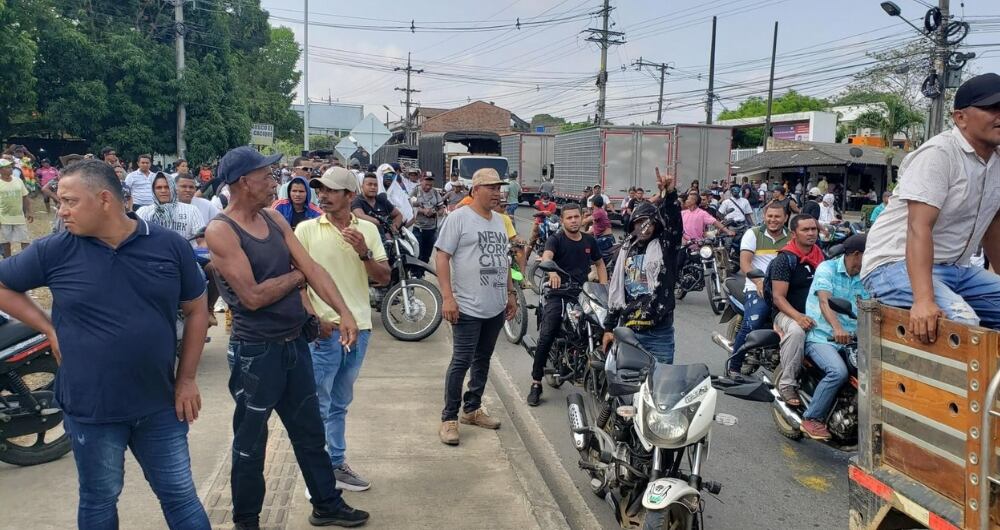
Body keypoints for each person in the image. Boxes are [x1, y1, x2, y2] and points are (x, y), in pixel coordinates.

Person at [0, 159, 211, 529]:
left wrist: (188, 378)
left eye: (69, 201)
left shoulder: (167, 246)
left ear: (104, 200)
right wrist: (48, 328)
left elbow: (196, 309)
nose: (60, 210)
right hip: (91, 407)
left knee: (179, 495)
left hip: (159, 403)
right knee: (99, 498)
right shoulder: (55, 250)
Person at [204, 146, 369, 528]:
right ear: (244, 182)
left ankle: (326, 503)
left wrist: (343, 312)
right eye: (266, 175)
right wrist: (299, 276)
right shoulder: (221, 230)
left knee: (309, 431)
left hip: (294, 343)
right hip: (256, 353)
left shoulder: (273, 220)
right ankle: (247, 521)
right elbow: (254, 296)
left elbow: (312, 266)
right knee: (250, 443)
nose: (273, 180)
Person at [862, 73, 1000, 337]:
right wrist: (923, 300)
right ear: (960, 118)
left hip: (957, 269)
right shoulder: (939, 154)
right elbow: (919, 227)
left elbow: (994, 227)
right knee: (962, 321)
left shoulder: (997, 160)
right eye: (991, 108)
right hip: (893, 265)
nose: (999, 115)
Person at [296, 167, 390, 493]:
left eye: (330, 191)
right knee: (318, 405)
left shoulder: (367, 231)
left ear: (350, 196)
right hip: (324, 332)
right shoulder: (306, 229)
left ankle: (335, 464)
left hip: (360, 329)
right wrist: (313, 319)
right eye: (319, 190)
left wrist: (363, 251)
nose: (322, 195)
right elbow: (297, 280)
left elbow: (383, 278)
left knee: (339, 402)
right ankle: (317, 476)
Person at [436, 168, 517, 445]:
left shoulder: (499, 221)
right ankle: (449, 418)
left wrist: (510, 293)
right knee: (461, 362)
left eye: (499, 188)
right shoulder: (459, 218)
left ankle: (472, 410)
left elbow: (504, 259)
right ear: (476, 190)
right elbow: (442, 257)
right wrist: (448, 297)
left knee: (483, 359)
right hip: (467, 306)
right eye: (492, 188)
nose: (497, 193)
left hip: (494, 306)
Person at [527, 203, 608, 406]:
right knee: (547, 333)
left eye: (576, 217)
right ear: (562, 221)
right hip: (559, 293)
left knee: (603, 326)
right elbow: (547, 257)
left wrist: (605, 288)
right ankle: (536, 382)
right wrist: (552, 272)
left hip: (582, 293)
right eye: (569, 218)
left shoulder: (589, 240)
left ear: (582, 218)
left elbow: (599, 264)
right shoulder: (556, 239)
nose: (573, 221)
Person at [603, 167, 683, 364]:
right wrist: (608, 329)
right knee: (627, 390)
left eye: (648, 222)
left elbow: (674, 224)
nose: (643, 226)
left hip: (659, 335)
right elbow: (616, 293)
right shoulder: (624, 252)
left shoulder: (665, 248)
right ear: (632, 225)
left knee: (660, 389)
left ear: (655, 224)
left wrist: (669, 193)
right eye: (638, 222)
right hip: (629, 331)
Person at [800, 234, 869, 440]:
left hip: (855, 340)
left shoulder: (867, 276)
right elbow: (824, 301)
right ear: (856, 254)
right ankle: (812, 418)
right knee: (837, 372)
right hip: (823, 336)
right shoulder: (827, 269)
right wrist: (837, 328)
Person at [766, 214, 823, 406]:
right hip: (787, 313)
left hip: (816, 312)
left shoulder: (821, 256)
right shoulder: (786, 259)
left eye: (813, 229)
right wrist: (798, 317)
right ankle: (787, 382)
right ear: (793, 233)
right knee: (797, 332)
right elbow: (778, 297)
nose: (811, 233)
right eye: (805, 230)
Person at [728, 202, 791, 373]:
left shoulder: (791, 237)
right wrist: (759, 282)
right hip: (756, 287)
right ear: (764, 217)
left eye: (777, 216)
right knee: (752, 323)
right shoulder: (753, 234)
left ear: (785, 218)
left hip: (783, 288)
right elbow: (745, 263)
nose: (773, 220)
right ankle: (733, 367)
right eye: (769, 216)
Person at [136, 172, 205, 243]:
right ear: (153, 190)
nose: (163, 191)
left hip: (182, 252)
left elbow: (202, 240)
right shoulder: (144, 211)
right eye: (159, 188)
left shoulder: (191, 210)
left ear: (173, 188)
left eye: (167, 187)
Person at [410, 173, 445, 273]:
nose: (428, 187)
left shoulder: (435, 193)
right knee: (417, 253)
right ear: (421, 181)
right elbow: (411, 205)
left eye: (430, 184)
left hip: (431, 229)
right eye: (426, 184)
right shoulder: (416, 191)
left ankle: (421, 274)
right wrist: (423, 211)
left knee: (426, 254)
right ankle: (414, 273)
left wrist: (435, 212)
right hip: (418, 227)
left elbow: (441, 208)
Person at [351, 172, 402, 237]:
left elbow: (398, 214)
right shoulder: (357, 200)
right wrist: (377, 222)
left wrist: (395, 226)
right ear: (362, 187)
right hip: (366, 240)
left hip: (388, 241)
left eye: (375, 185)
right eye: (369, 184)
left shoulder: (382, 200)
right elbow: (359, 215)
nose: (373, 187)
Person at [0, 158, 32, 258]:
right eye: (7, 168)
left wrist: (29, 211)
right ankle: (7, 263)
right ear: (1, 170)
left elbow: (25, 196)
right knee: (5, 243)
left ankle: (26, 261)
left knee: (25, 241)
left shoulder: (18, 181)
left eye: (11, 167)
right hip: (3, 218)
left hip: (19, 216)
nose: (10, 169)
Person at [584, 195, 615, 259]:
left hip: (606, 239)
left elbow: (585, 221)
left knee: (588, 249)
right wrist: (583, 234)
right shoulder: (600, 211)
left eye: (591, 202)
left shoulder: (598, 212)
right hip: (604, 238)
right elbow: (593, 229)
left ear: (594, 203)